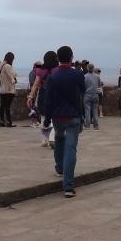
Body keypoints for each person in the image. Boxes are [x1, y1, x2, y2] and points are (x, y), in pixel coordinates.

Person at [41, 46, 85, 198]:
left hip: (57, 116)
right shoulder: (77, 74)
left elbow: (48, 101)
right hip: (73, 116)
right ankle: (68, 187)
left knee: (59, 138)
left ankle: (60, 168)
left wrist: (47, 119)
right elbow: (82, 91)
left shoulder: (52, 77)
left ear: (58, 59)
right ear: (71, 57)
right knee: (70, 148)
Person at [26, 52, 57, 147]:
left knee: (43, 116)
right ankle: (52, 137)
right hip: (55, 94)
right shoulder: (57, 70)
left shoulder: (40, 70)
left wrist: (30, 97)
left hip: (43, 94)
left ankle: (44, 140)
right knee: (54, 117)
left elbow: (35, 84)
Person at [0, 52, 17, 127]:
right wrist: (14, 80)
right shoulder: (7, 66)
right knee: (7, 106)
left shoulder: (1, 66)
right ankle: (9, 122)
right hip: (9, 89)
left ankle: (2, 122)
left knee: (3, 105)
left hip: (2, 89)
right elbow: (11, 76)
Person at [83, 64, 103, 129]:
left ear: (87, 68)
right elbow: (99, 85)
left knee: (87, 111)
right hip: (95, 94)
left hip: (87, 94)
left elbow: (83, 86)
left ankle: (87, 125)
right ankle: (96, 125)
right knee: (95, 111)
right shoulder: (97, 76)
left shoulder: (85, 76)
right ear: (93, 68)